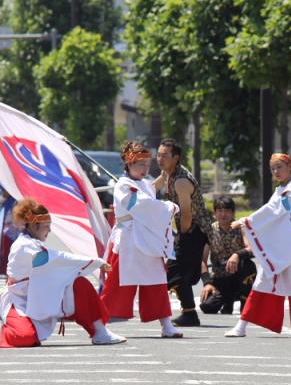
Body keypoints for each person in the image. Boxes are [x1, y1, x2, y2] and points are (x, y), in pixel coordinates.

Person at [0, 199, 125, 348]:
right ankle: (2, 330)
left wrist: (90, 263)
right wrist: (94, 262)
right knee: (25, 337)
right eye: (46, 227)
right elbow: (53, 259)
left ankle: (99, 331)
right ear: (33, 226)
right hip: (19, 300)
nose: (49, 231)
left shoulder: (33, 243)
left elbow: (54, 263)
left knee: (79, 284)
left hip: (40, 294)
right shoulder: (24, 246)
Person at [224, 153, 291, 338]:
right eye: (273, 168)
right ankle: (242, 325)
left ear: (290, 166)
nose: (276, 171)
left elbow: (278, 211)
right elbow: (271, 213)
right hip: (281, 242)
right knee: (263, 282)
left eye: (279, 167)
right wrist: (249, 221)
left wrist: (245, 221)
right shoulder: (280, 189)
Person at [101, 141, 184, 338]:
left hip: (147, 238)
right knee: (116, 285)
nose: (145, 168)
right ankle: (98, 324)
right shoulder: (123, 185)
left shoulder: (144, 183)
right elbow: (141, 205)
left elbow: (149, 195)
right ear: (129, 164)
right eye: (140, 164)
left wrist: (164, 180)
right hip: (129, 239)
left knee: (156, 281)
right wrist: (169, 207)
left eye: (147, 164)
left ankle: (166, 325)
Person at [155, 138, 212, 327]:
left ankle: (189, 313)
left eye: (165, 155)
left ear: (176, 158)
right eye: (159, 154)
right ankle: (189, 313)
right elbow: (151, 188)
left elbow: (186, 214)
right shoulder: (167, 173)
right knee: (180, 273)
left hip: (194, 230)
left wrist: (182, 236)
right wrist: (132, 188)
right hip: (185, 231)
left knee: (174, 272)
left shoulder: (180, 181)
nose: (160, 159)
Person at [199, 195, 256, 315]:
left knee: (249, 266)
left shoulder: (241, 227)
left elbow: (252, 249)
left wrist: (237, 255)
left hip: (239, 275)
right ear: (215, 213)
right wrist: (207, 283)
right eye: (220, 211)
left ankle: (244, 301)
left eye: (227, 211)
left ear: (233, 212)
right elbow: (202, 260)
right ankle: (227, 301)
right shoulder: (209, 230)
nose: (223, 214)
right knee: (207, 306)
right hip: (221, 278)